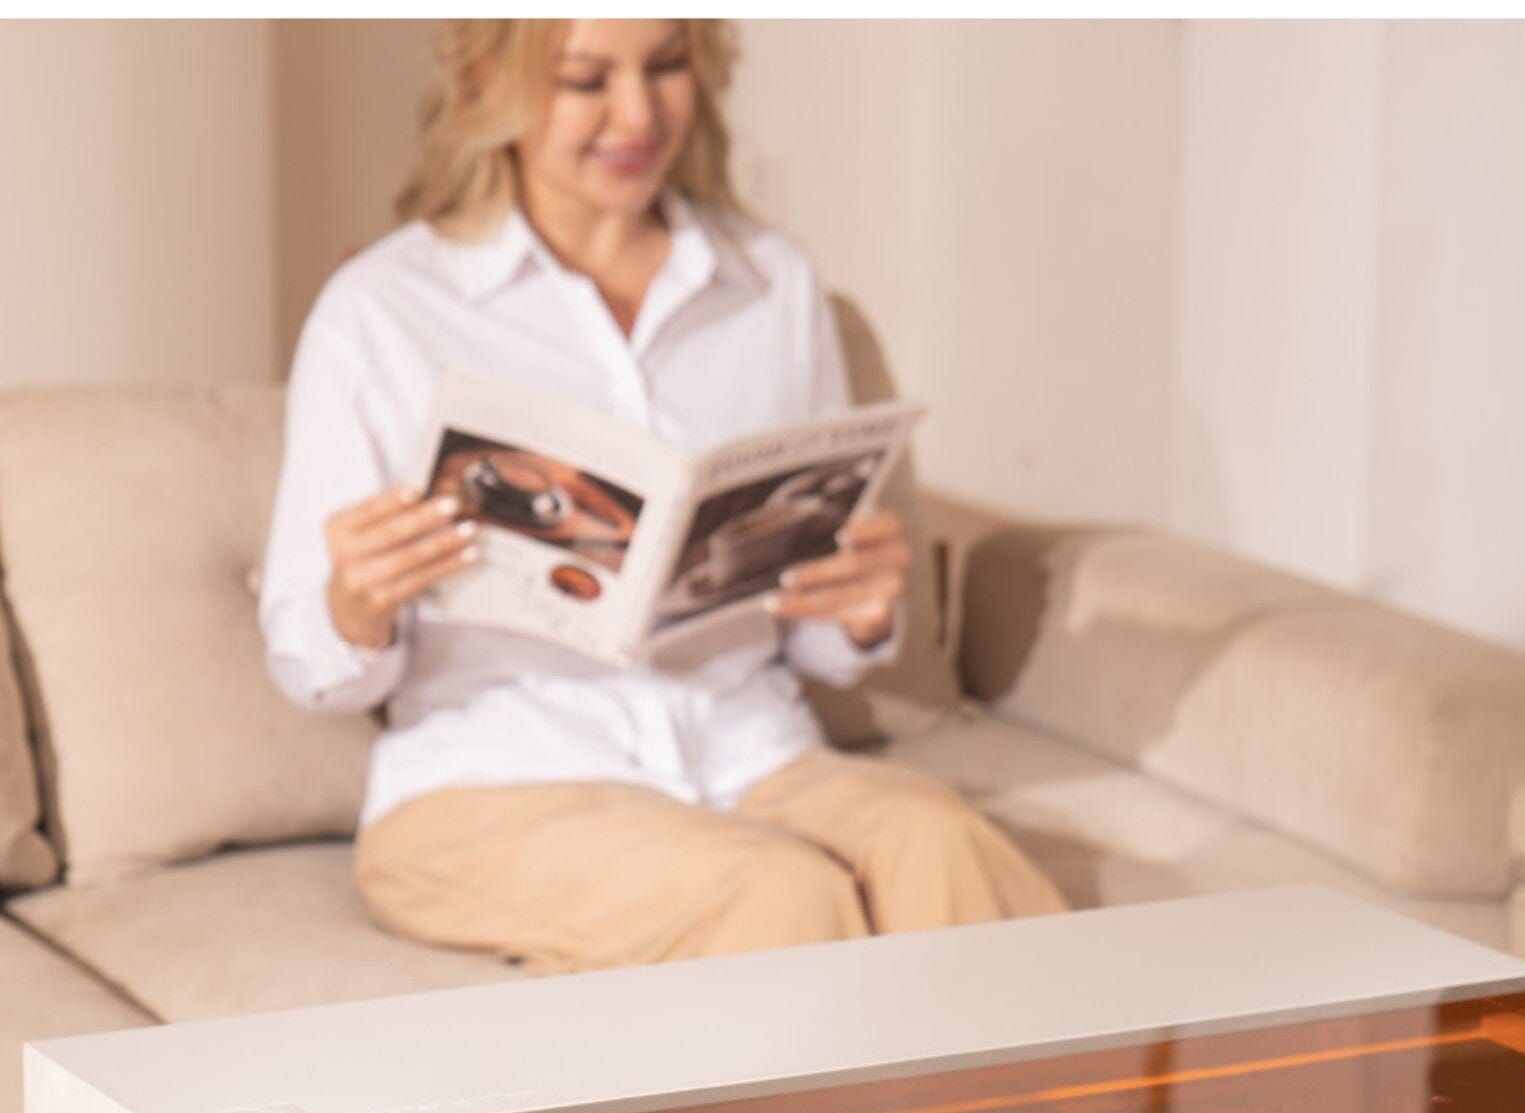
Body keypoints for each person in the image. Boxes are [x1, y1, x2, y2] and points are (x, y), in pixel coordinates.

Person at [260, 19, 1066, 972]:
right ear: (489, 80)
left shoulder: (771, 284)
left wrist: (855, 610)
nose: (638, 114)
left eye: (667, 66)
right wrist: (355, 604)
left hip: (749, 752)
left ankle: (1115, 1077)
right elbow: (311, 664)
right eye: (585, 79)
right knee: (777, 893)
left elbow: (811, 640)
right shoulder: (382, 311)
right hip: (495, 780)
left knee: (940, 843)